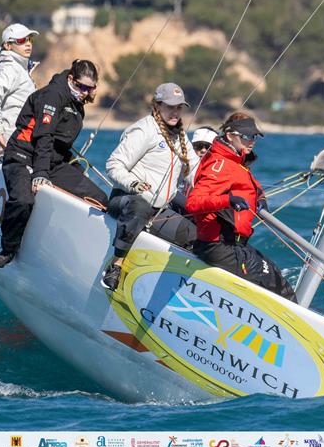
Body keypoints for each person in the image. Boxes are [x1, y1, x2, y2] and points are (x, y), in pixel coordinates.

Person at [0, 60, 108, 268]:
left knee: (101, 200)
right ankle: (7, 250)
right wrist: (40, 173)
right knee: (24, 200)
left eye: (90, 88)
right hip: (22, 155)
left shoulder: (75, 101)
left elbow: (59, 143)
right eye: (81, 86)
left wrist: (74, 168)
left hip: (53, 161)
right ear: (71, 79)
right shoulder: (53, 95)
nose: (84, 92)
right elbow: (44, 136)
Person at [185, 113, 296, 300]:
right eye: (246, 136)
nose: (251, 141)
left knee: (278, 279)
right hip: (219, 246)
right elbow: (193, 202)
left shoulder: (236, 161)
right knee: (277, 286)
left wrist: (259, 197)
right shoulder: (220, 164)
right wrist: (228, 201)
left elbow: (246, 183)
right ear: (229, 135)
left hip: (234, 244)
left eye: (254, 137)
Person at [101, 83, 198, 290]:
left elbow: (195, 170)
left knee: (193, 234)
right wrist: (133, 184)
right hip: (126, 200)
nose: (175, 112)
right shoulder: (144, 129)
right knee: (140, 206)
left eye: (179, 107)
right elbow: (114, 164)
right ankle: (115, 265)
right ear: (157, 105)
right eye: (170, 106)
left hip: (159, 211)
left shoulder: (180, 137)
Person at [0, 23, 40, 158]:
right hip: (12, 145)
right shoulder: (9, 68)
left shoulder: (20, 68)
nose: (28, 44)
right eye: (21, 40)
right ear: (7, 45)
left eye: (30, 39)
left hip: (23, 142)